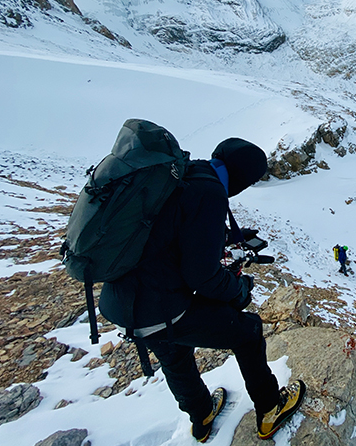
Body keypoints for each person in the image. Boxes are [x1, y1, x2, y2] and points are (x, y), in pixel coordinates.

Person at [99, 138, 305, 442]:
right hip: (158, 305)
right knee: (247, 331)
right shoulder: (210, 193)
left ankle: (202, 415)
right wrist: (239, 291)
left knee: (174, 353)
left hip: (121, 302)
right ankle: (270, 408)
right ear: (242, 178)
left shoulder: (185, 174)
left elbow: (174, 228)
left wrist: (221, 234)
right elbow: (202, 277)